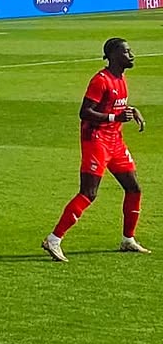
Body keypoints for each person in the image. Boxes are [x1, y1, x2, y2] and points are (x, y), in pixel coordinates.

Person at [42, 38, 149, 262]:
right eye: (126, 52)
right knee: (89, 193)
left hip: (115, 141)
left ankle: (128, 239)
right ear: (113, 56)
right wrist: (115, 117)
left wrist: (130, 110)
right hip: (96, 141)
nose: (132, 55)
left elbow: (113, 105)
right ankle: (54, 239)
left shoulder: (120, 78)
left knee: (134, 188)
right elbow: (85, 112)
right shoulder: (100, 81)